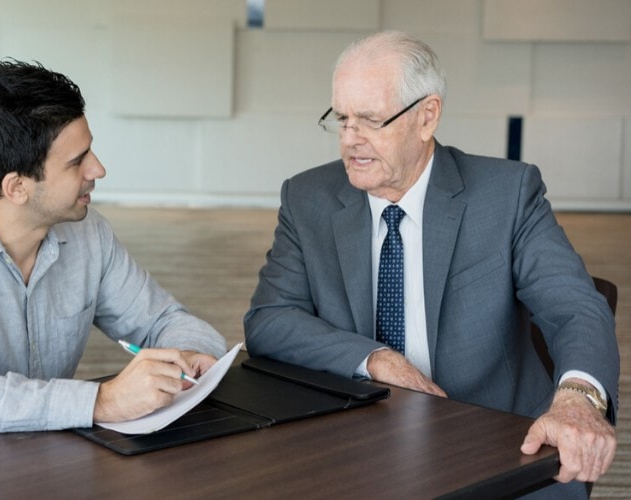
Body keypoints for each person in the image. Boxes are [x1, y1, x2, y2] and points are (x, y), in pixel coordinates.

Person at [244, 31, 618, 498]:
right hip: (354, 443)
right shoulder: (307, 199)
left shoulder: (506, 194)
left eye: (370, 121)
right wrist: (374, 359)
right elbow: (269, 320)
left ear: (427, 116)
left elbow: (575, 308)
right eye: (340, 119)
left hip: (502, 443)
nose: (349, 141)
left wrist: (578, 400)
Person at [0, 59, 226, 433]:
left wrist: (191, 353)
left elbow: (162, 321)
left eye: (91, 151)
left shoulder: (88, 235)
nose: (98, 170)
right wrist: (101, 401)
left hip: (37, 459)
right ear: (17, 187)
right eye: (77, 162)